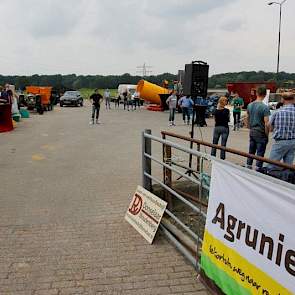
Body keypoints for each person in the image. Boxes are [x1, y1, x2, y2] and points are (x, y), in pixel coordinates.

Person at [246, 86, 270, 169]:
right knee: (260, 153)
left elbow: (247, 119)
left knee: (251, 152)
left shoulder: (249, 105)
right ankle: (258, 169)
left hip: (252, 131)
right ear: (265, 95)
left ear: (257, 93)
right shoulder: (265, 107)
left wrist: (249, 127)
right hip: (260, 131)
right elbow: (267, 123)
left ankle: (248, 166)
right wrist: (267, 135)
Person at [268, 92, 295, 166]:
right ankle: (286, 177)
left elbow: (270, 127)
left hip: (280, 141)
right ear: (293, 100)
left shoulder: (277, 112)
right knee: (288, 166)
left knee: (271, 165)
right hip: (293, 142)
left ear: (282, 100)